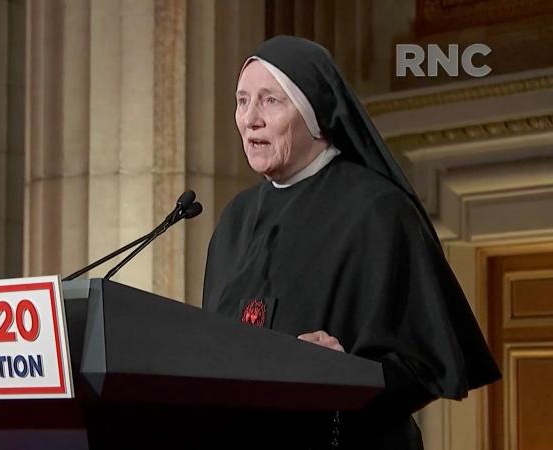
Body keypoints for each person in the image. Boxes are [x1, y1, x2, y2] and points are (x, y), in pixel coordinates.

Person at [201, 35, 501, 449]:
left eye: (271, 101)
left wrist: (343, 375)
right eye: (242, 100)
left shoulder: (377, 210)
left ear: (315, 114)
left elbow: (426, 365)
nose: (251, 118)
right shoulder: (235, 218)